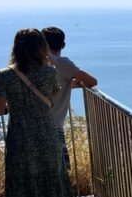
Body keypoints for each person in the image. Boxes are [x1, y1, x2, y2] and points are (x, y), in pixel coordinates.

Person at [0, 28, 75, 197]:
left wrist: (15, 105)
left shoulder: (3, 76)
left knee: (24, 184)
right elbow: (52, 95)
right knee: (52, 180)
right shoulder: (49, 72)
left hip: (20, 136)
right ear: (40, 47)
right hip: (47, 133)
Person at [41, 27, 98, 171]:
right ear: (63, 45)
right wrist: (74, 82)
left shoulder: (38, 63)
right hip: (53, 126)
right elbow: (92, 81)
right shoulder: (61, 63)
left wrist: (67, 83)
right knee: (60, 172)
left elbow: (52, 87)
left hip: (33, 126)